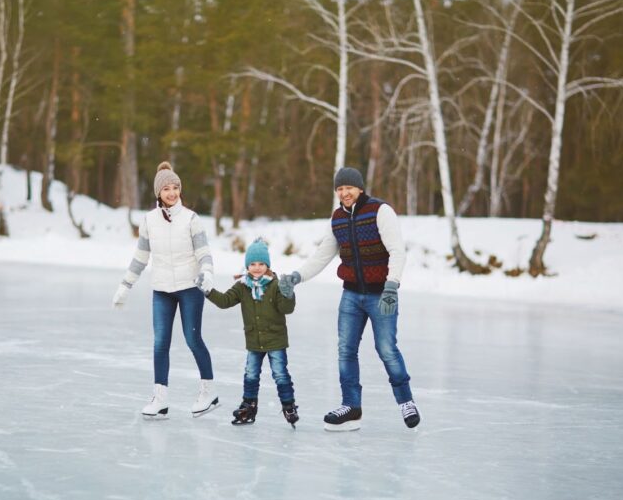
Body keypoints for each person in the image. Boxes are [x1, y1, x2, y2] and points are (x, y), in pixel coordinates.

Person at [278, 167, 420, 432]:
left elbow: (397, 251)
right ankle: (351, 406)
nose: (344, 193)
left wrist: (392, 286)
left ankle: (406, 401)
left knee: (387, 349)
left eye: (349, 188)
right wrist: (297, 276)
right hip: (352, 295)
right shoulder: (337, 219)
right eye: (340, 189)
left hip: (382, 295)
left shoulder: (380, 211)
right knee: (346, 350)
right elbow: (322, 255)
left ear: (360, 188)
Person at [112, 161, 219, 420]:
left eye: (175, 188)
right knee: (160, 344)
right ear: (158, 193)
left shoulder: (191, 219)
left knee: (193, 339)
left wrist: (207, 273)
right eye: (166, 188)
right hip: (161, 290)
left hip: (189, 288)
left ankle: (209, 392)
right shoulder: (148, 221)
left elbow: (204, 253)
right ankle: (160, 398)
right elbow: (140, 257)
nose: (172, 193)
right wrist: (125, 285)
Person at [199, 238, 299, 428]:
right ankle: (248, 406)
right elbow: (225, 301)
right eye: (252, 264)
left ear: (268, 265)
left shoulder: (276, 285)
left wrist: (288, 293)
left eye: (261, 263)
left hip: (275, 340)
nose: (257, 268)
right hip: (254, 340)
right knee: (251, 374)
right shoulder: (242, 286)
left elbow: (287, 309)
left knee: (280, 374)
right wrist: (208, 291)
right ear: (247, 265)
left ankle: (289, 406)